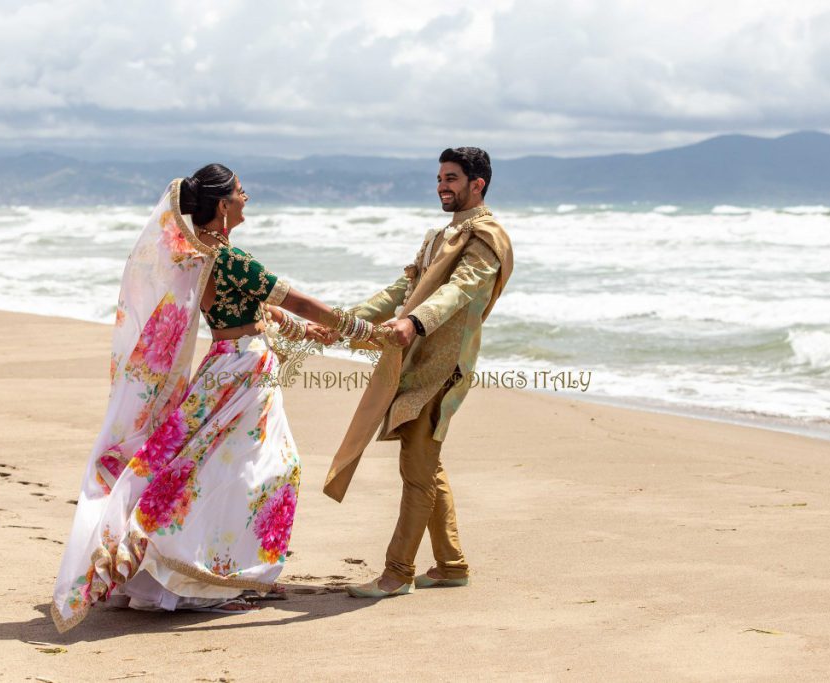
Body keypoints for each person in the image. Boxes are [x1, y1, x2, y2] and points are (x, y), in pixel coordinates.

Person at [51, 164, 386, 632]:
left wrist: (301, 331)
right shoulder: (232, 258)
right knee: (260, 469)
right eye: (241, 192)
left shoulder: (200, 254)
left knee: (222, 467)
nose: (247, 198)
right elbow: (299, 302)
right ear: (223, 205)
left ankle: (211, 571)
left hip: (230, 362)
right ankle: (211, 578)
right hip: (245, 371)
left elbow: (254, 310)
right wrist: (365, 332)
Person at [320, 147, 514, 598]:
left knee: (416, 470)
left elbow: (463, 290)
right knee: (426, 464)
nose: (442, 186)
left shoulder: (486, 236)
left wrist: (414, 322)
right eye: (440, 178)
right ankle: (450, 565)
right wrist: (342, 322)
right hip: (418, 361)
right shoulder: (439, 236)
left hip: (445, 366)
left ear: (476, 184)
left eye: (451, 178)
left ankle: (397, 572)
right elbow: (403, 289)